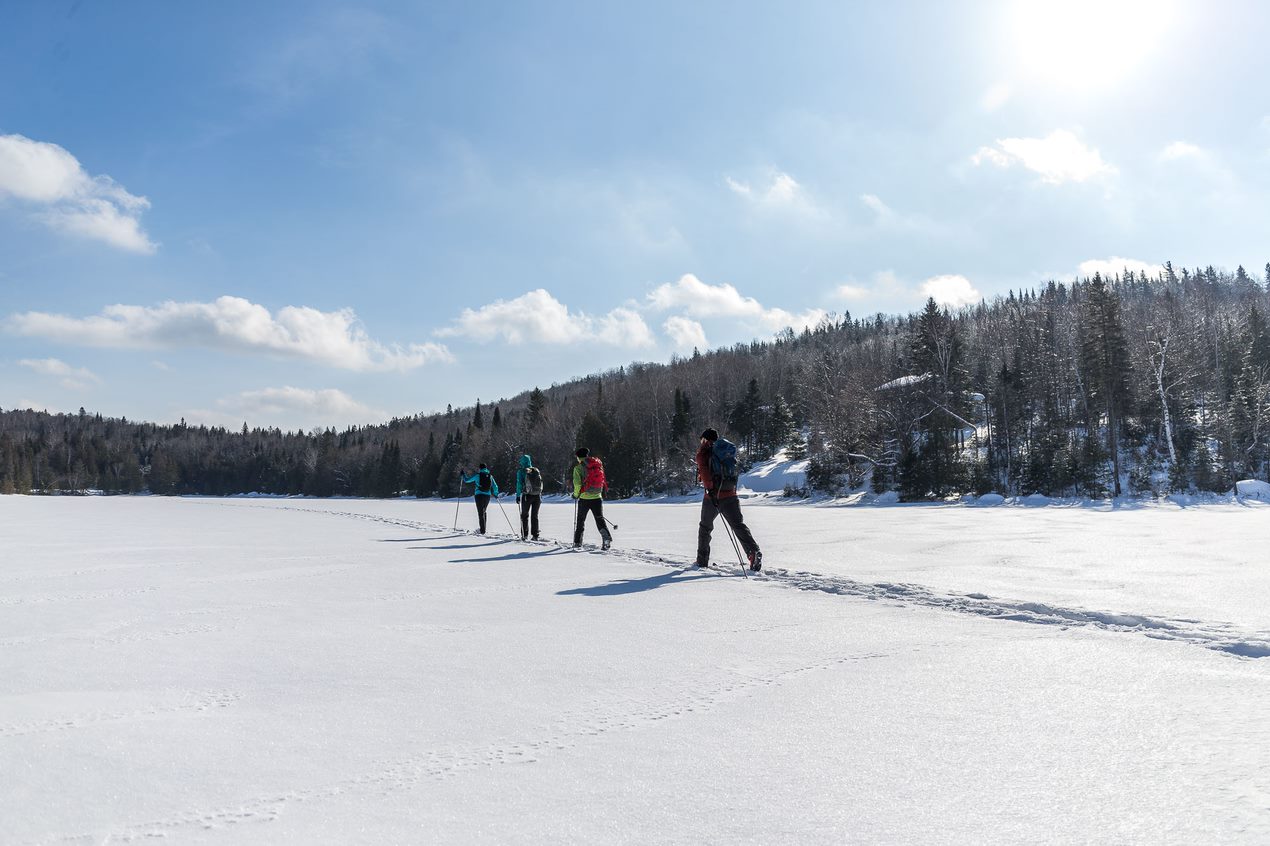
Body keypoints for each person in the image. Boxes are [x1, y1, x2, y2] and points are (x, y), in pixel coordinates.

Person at [695, 428, 761, 571]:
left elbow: (705, 474)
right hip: (730, 494)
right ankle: (753, 552)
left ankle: (701, 561)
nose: (701, 441)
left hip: (712, 496)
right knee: (738, 525)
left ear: (706, 439)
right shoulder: (725, 451)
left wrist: (711, 490)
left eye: (702, 439)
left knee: (705, 527)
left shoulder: (704, 452)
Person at [571, 447, 612, 550]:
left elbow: (577, 484)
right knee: (599, 519)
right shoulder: (597, 464)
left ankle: (577, 543)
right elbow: (602, 479)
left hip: (584, 498)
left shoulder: (578, 468)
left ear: (578, 457)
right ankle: (606, 539)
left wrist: (575, 495)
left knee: (580, 521)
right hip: (597, 497)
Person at [462, 463, 500, 534]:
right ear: (486, 468)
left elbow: (467, 480)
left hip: (479, 495)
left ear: (480, 468)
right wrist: (495, 494)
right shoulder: (490, 476)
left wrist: (463, 475)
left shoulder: (477, 476)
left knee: (480, 513)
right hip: (487, 496)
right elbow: (495, 486)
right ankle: (483, 529)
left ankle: (482, 531)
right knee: (484, 511)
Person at [515, 453, 544, 541]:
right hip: (537, 496)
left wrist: (518, 495)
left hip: (527, 496)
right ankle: (535, 535)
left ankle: (525, 535)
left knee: (524, 515)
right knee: (535, 516)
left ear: (522, 462)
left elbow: (519, 484)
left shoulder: (521, 471)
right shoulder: (535, 470)